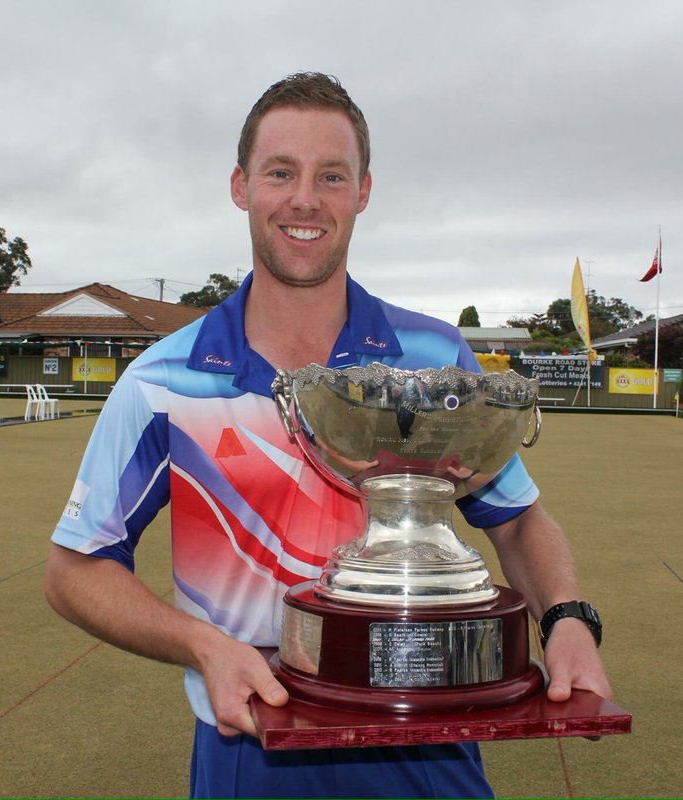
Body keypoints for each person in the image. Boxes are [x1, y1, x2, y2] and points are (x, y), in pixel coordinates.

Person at [44, 72, 611, 799]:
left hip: (430, 750)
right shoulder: (164, 380)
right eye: (281, 172)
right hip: (251, 750)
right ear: (241, 186)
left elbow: (517, 520)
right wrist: (204, 646)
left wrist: (566, 619)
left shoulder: (434, 357)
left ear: (363, 191)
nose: (305, 199)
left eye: (331, 176)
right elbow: (74, 571)